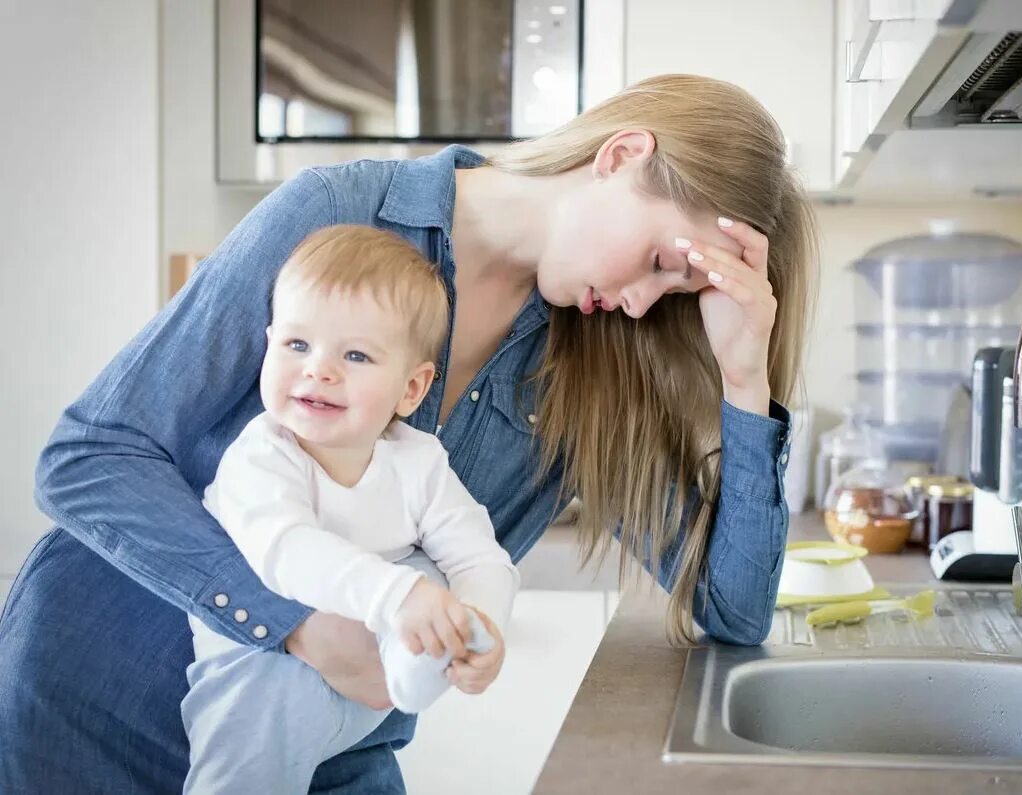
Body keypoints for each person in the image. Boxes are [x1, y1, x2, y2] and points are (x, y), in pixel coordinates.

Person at [0, 73, 818, 793]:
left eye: (673, 292)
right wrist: (296, 626)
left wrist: (746, 379)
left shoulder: (597, 362)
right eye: (657, 261)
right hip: (97, 703)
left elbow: (732, 612)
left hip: (331, 752)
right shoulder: (338, 213)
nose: (644, 302)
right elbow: (89, 459)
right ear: (620, 155)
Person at [182, 224, 519, 793]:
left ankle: (419, 661)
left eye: (356, 354)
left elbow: (481, 556)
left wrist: (481, 625)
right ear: (269, 345)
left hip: (368, 681)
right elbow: (285, 552)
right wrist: (398, 598)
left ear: (411, 389)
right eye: (296, 345)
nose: (319, 369)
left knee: (431, 571)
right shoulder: (262, 456)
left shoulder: (418, 462)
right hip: (263, 674)